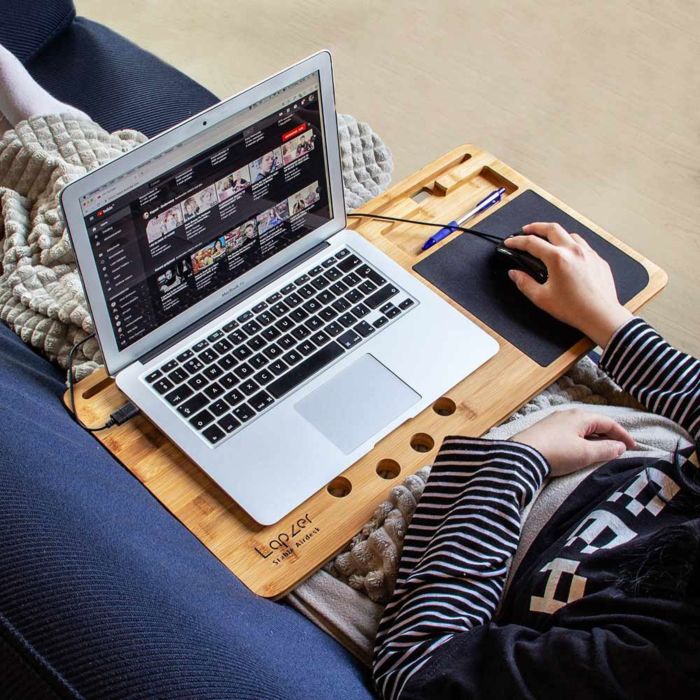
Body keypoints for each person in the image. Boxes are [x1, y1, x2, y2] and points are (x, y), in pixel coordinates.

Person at [373, 222, 700, 699]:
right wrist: (607, 317)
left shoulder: (649, 666)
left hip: (469, 552)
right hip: (598, 452)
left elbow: (420, 668)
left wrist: (522, 460)